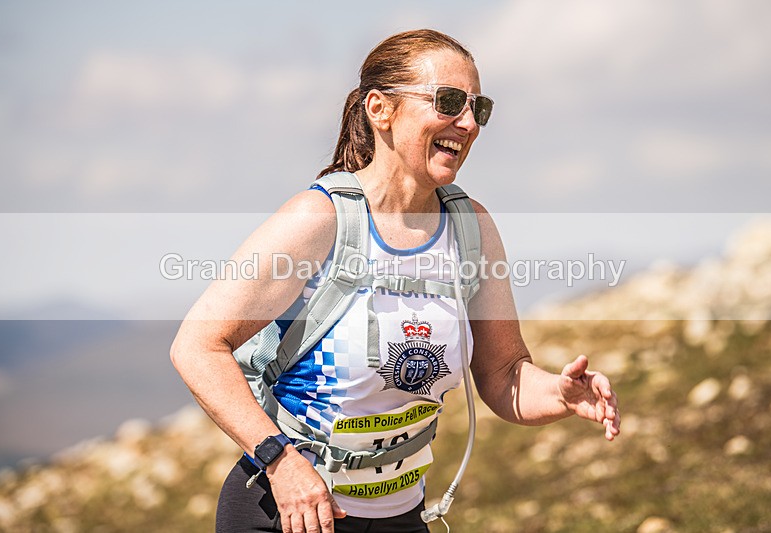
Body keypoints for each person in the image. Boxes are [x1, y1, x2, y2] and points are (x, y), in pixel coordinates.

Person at [171, 29, 620, 533]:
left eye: (479, 107)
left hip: (402, 517)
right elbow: (197, 346)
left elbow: (505, 373)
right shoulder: (318, 221)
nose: (469, 123)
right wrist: (280, 461)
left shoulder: (471, 227)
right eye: (448, 102)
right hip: (290, 513)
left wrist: (562, 395)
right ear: (380, 109)